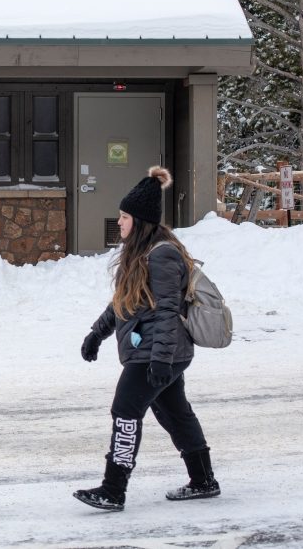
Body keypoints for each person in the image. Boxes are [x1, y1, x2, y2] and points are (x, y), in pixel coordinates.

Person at [73, 166, 220, 512]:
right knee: (175, 414)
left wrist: (160, 359)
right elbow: (123, 302)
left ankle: (113, 489)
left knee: (125, 410)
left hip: (157, 352)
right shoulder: (138, 254)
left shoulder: (162, 254)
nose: (119, 222)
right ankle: (203, 480)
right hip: (155, 350)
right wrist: (97, 333)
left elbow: (168, 310)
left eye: (124, 217)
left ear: (139, 221)